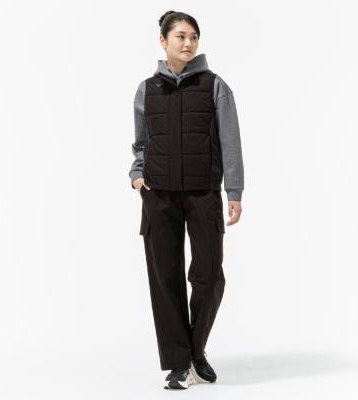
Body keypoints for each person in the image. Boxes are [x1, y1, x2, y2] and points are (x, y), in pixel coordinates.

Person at [128, 10, 244, 390]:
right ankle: (179, 365)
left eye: (193, 36)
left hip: (203, 193)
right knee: (166, 279)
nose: (188, 43)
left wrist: (234, 191)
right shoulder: (146, 89)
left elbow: (230, 141)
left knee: (209, 276)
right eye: (180, 36)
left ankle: (194, 351)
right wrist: (137, 174)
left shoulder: (215, 86)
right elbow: (141, 143)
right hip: (158, 195)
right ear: (163, 40)